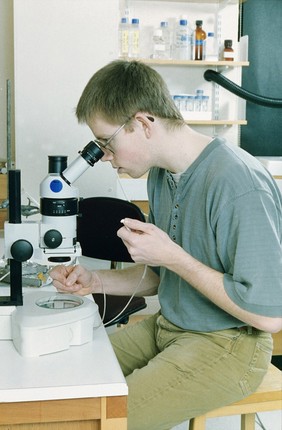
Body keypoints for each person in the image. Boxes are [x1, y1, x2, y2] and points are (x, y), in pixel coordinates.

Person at [50, 60, 282, 430]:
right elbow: (159, 279)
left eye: (106, 144)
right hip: (169, 326)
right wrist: (94, 282)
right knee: (68, 381)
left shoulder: (238, 183)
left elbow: (268, 316)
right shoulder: (161, 177)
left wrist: (174, 257)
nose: (104, 157)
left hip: (230, 345)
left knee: (103, 422)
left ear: (142, 124)